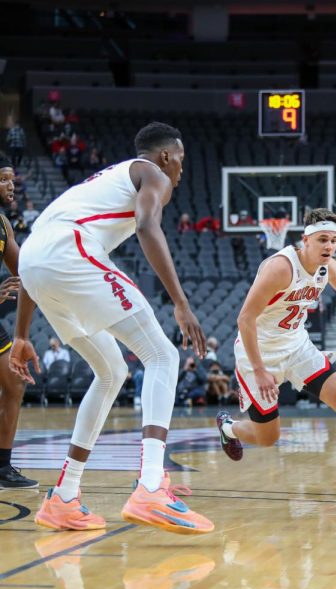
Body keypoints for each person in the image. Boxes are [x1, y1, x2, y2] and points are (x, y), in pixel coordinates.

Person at [12, 123, 212, 532]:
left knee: (112, 372)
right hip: (68, 251)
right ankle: (152, 486)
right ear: (167, 156)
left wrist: (21, 335)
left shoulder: (93, 188)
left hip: (36, 260)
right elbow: (146, 226)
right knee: (163, 355)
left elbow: (33, 261)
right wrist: (180, 302)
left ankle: (64, 497)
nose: (181, 171)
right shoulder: (152, 173)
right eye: (181, 161)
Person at [215, 208, 336, 497]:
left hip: (297, 346)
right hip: (258, 354)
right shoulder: (280, 268)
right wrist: (259, 370)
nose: (329, 246)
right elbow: (244, 319)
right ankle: (229, 427)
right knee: (268, 438)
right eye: (323, 240)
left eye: (333, 240)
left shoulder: (330, 268)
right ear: (306, 240)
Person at [0, 157, 36, 488]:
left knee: (15, 382)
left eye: (12, 180)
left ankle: (3, 467)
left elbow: (24, 269)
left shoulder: (3, 224)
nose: (11, 185)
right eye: (4, 180)